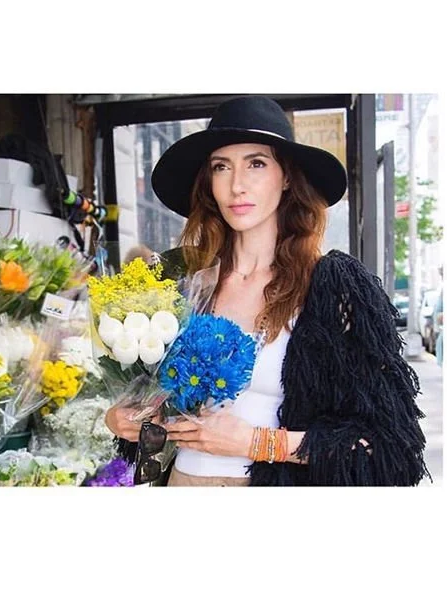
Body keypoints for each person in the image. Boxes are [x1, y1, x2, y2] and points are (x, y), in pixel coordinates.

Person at [104, 96, 429, 486]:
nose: (237, 185)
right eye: (221, 167)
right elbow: (152, 402)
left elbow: (389, 446)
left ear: (287, 177)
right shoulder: (181, 280)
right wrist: (124, 418)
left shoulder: (332, 288)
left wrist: (257, 442)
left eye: (256, 163)